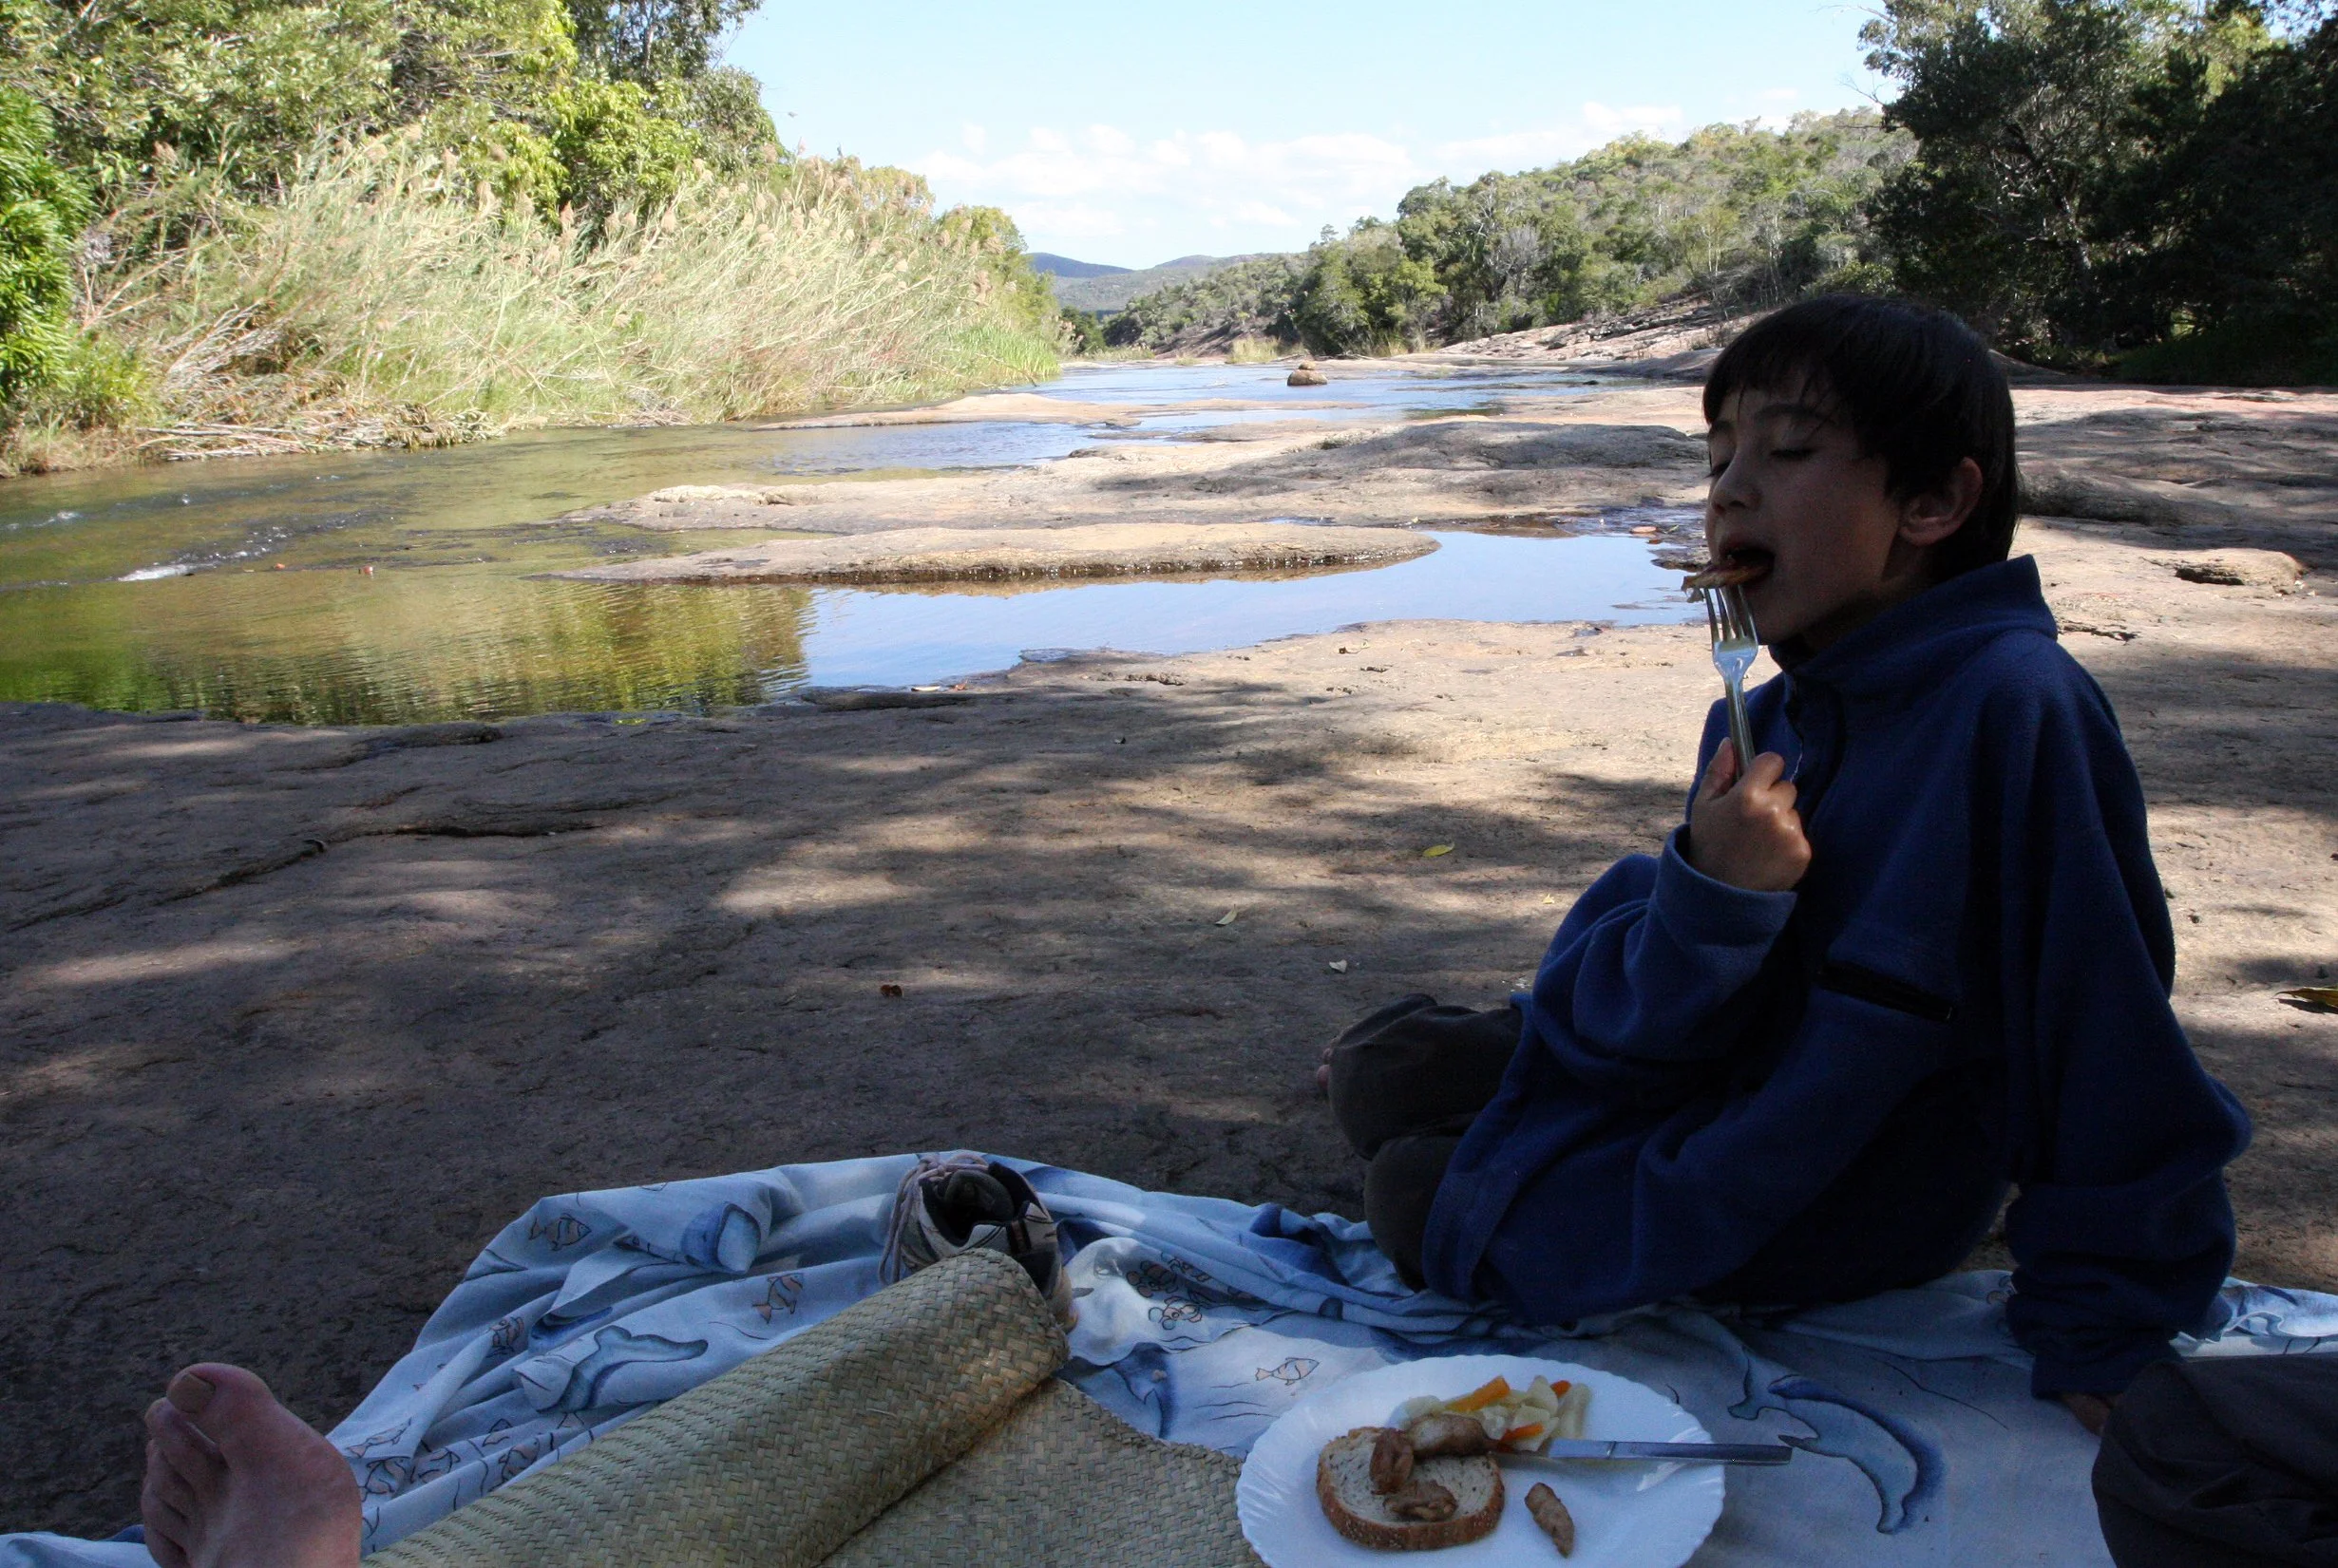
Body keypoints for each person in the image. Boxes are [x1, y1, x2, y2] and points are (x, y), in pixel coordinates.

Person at [1324, 293, 2252, 1434]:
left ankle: (1506, 1149)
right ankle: (1494, 1121)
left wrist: (2109, 1316)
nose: (1727, 491)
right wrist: (1710, 895)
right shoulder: (1763, 715)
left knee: (1412, 1192)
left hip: (1843, 1169)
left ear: (1931, 502)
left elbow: (2104, 1029)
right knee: (1382, 1066)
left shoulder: (2016, 708)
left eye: (1789, 451)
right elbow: (1675, 1022)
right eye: (1717, 457)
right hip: (1724, 1074)